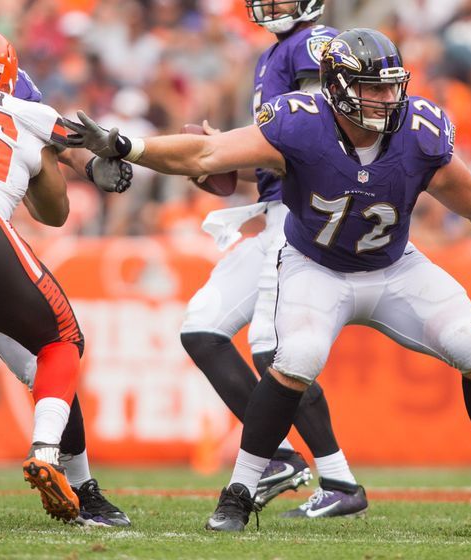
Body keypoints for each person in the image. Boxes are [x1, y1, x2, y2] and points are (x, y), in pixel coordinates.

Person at [64, 27, 471, 534]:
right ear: (336, 88)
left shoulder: (419, 129)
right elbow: (206, 155)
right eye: (371, 87)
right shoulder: (299, 124)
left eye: (391, 85)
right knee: (297, 358)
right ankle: (239, 493)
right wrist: (128, 145)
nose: (385, 98)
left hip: (395, 267)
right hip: (315, 266)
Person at [170, 0, 367, 516]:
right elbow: (276, 150)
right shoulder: (275, 53)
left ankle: (340, 482)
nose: (272, 5)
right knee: (202, 327)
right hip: (275, 211)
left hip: (298, 217)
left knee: (275, 349)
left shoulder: (310, 44)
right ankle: (280, 458)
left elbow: (317, 129)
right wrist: (223, 156)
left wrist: (225, 149)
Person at [0, 63, 133, 527]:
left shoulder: (22, 103)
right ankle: (46, 453)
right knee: (61, 343)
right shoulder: (19, 103)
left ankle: (82, 488)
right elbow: (74, 137)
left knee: (45, 367)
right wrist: (107, 156)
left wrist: (90, 163)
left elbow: (58, 142)